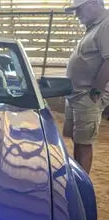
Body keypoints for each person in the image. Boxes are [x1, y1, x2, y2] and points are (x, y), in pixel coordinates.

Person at [64, 0, 109, 174]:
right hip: (77, 94)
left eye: (79, 10)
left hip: (87, 95)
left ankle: (81, 184)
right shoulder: (94, 27)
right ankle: (77, 175)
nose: (77, 15)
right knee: (78, 139)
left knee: (84, 143)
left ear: (94, 4)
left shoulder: (106, 25)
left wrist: (96, 91)